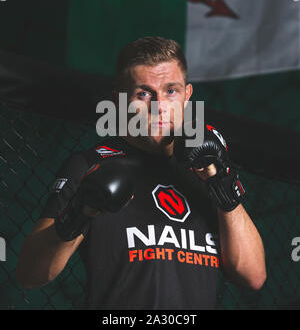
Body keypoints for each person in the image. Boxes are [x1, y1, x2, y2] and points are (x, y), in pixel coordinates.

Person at [16, 36, 266, 310]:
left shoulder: (205, 169)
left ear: (187, 96)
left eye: (171, 90)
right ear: (120, 101)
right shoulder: (91, 165)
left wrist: (220, 180)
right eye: (143, 94)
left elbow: (253, 276)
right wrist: (80, 212)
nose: (159, 105)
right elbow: (30, 274)